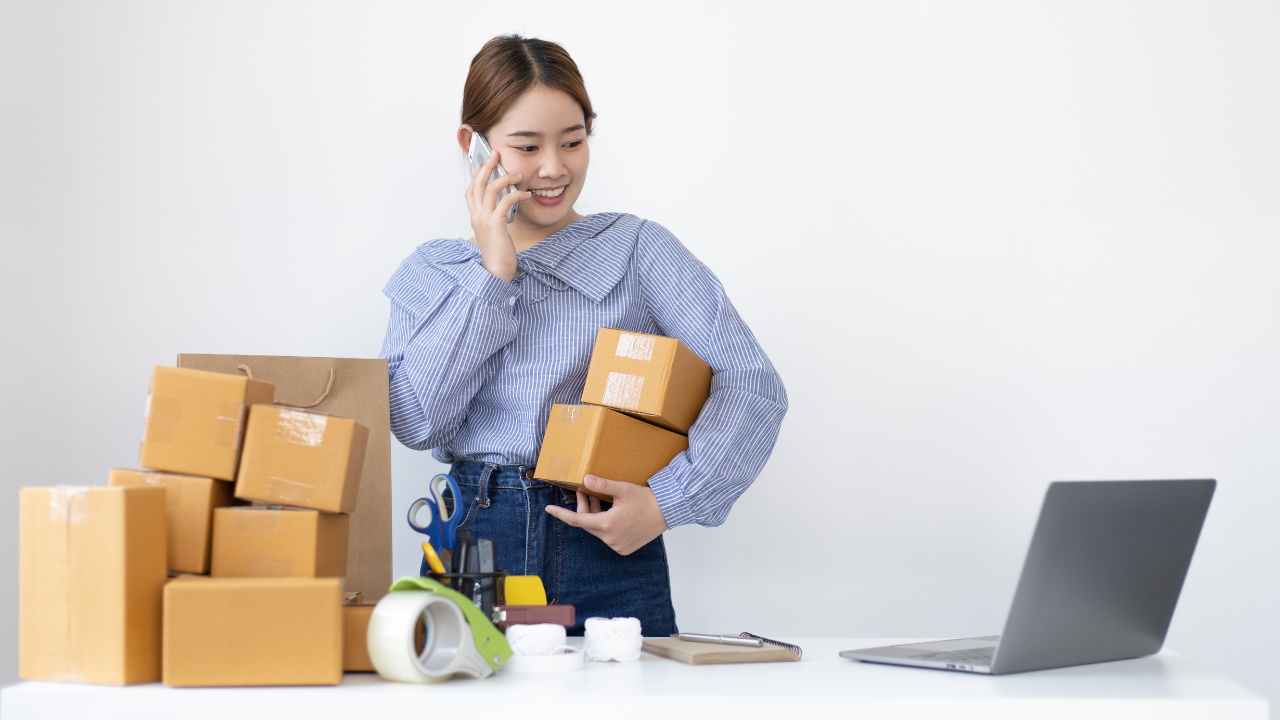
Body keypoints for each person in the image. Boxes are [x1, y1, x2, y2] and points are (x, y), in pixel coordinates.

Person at [380, 35, 787, 636]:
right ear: (474, 147)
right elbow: (417, 423)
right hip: (473, 544)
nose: (554, 167)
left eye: (573, 141)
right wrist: (493, 276)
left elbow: (752, 384)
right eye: (526, 146)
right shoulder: (433, 273)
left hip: (604, 546)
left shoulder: (637, 250)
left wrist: (668, 503)